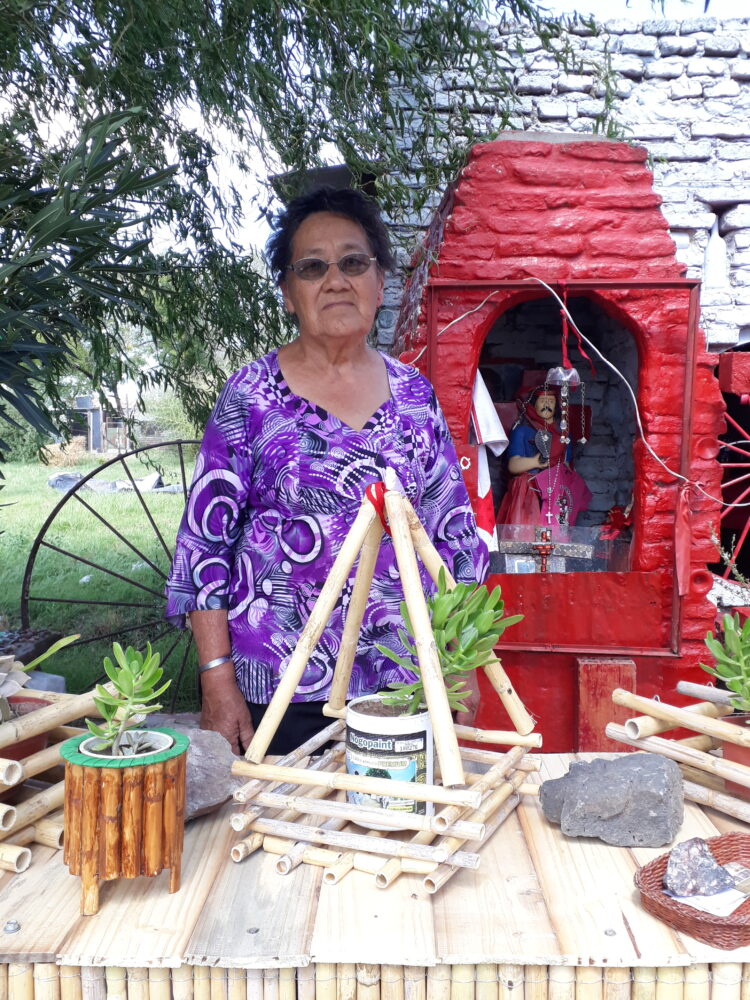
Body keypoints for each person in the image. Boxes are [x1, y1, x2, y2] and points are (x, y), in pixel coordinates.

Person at [165, 186, 488, 755]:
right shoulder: (251, 397)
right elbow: (204, 545)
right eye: (313, 267)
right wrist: (216, 676)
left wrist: (463, 661)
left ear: (379, 282)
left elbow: (452, 537)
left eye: (353, 262)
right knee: (284, 834)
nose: (336, 279)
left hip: (405, 682)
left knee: (395, 829)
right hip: (280, 685)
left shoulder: (415, 397)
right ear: (289, 293)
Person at [496, 385, 590, 529]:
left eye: (551, 401)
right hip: (529, 489)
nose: (547, 405)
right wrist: (535, 462)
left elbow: (566, 466)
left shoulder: (564, 436)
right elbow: (513, 465)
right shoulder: (521, 431)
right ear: (534, 404)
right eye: (543, 401)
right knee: (527, 531)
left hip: (555, 488)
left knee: (555, 530)